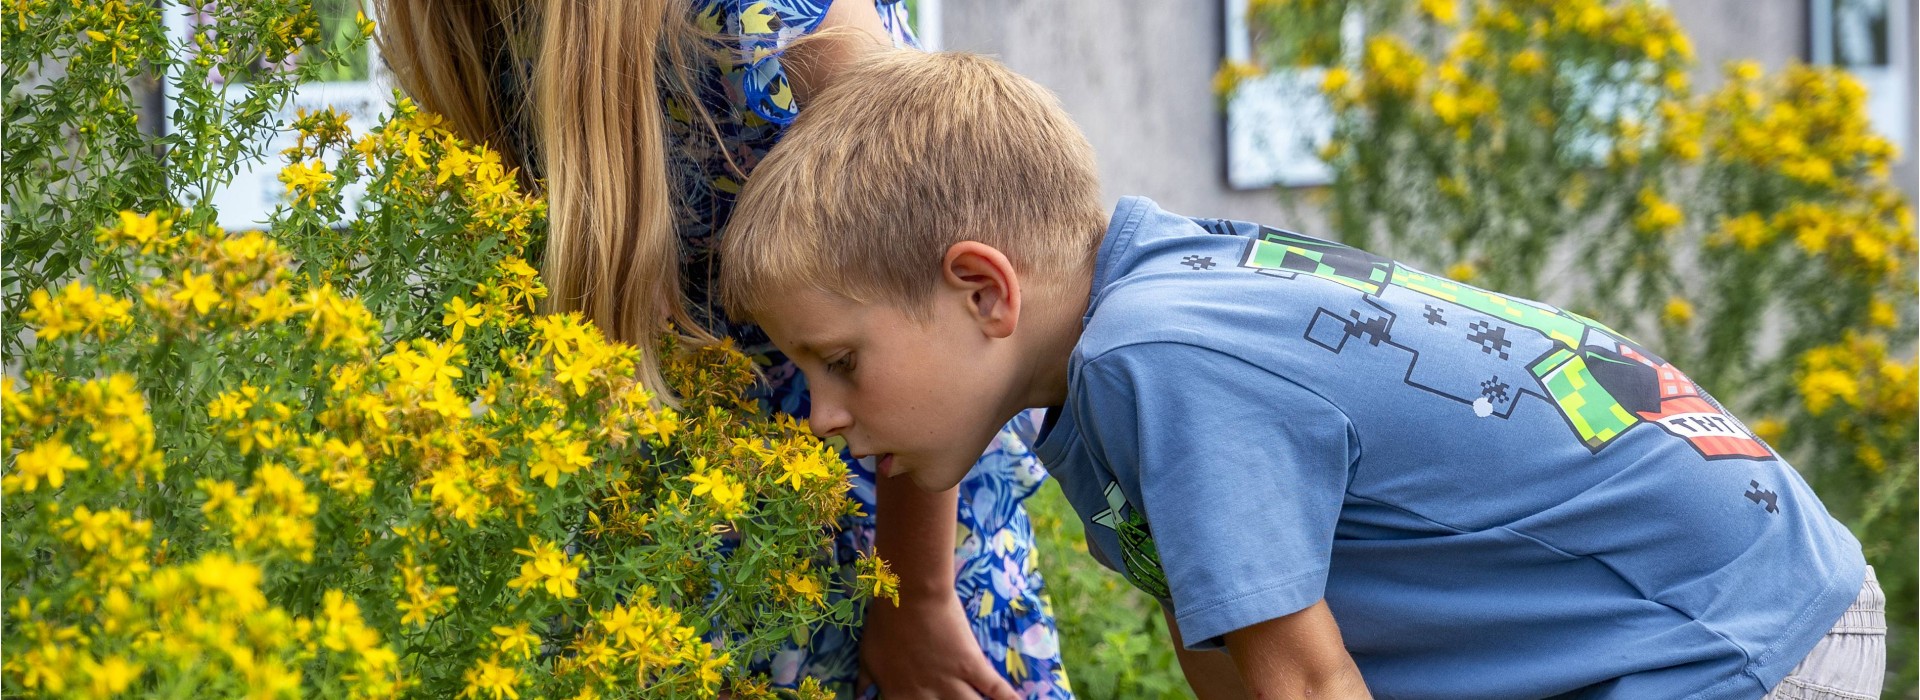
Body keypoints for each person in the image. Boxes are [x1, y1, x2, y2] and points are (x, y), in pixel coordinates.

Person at [717, 48, 1885, 699]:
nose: (821, 415)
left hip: (1726, 639)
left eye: (838, 361)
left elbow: (1310, 689)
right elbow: (1226, 652)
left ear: (984, 290)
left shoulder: (1155, 363)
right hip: (1750, 585)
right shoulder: (1145, 310)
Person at [374, 3, 1070, 698]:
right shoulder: (462, 20)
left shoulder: (775, 17)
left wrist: (914, 597)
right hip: (649, 522)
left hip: (872, 521)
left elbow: (934, 294)